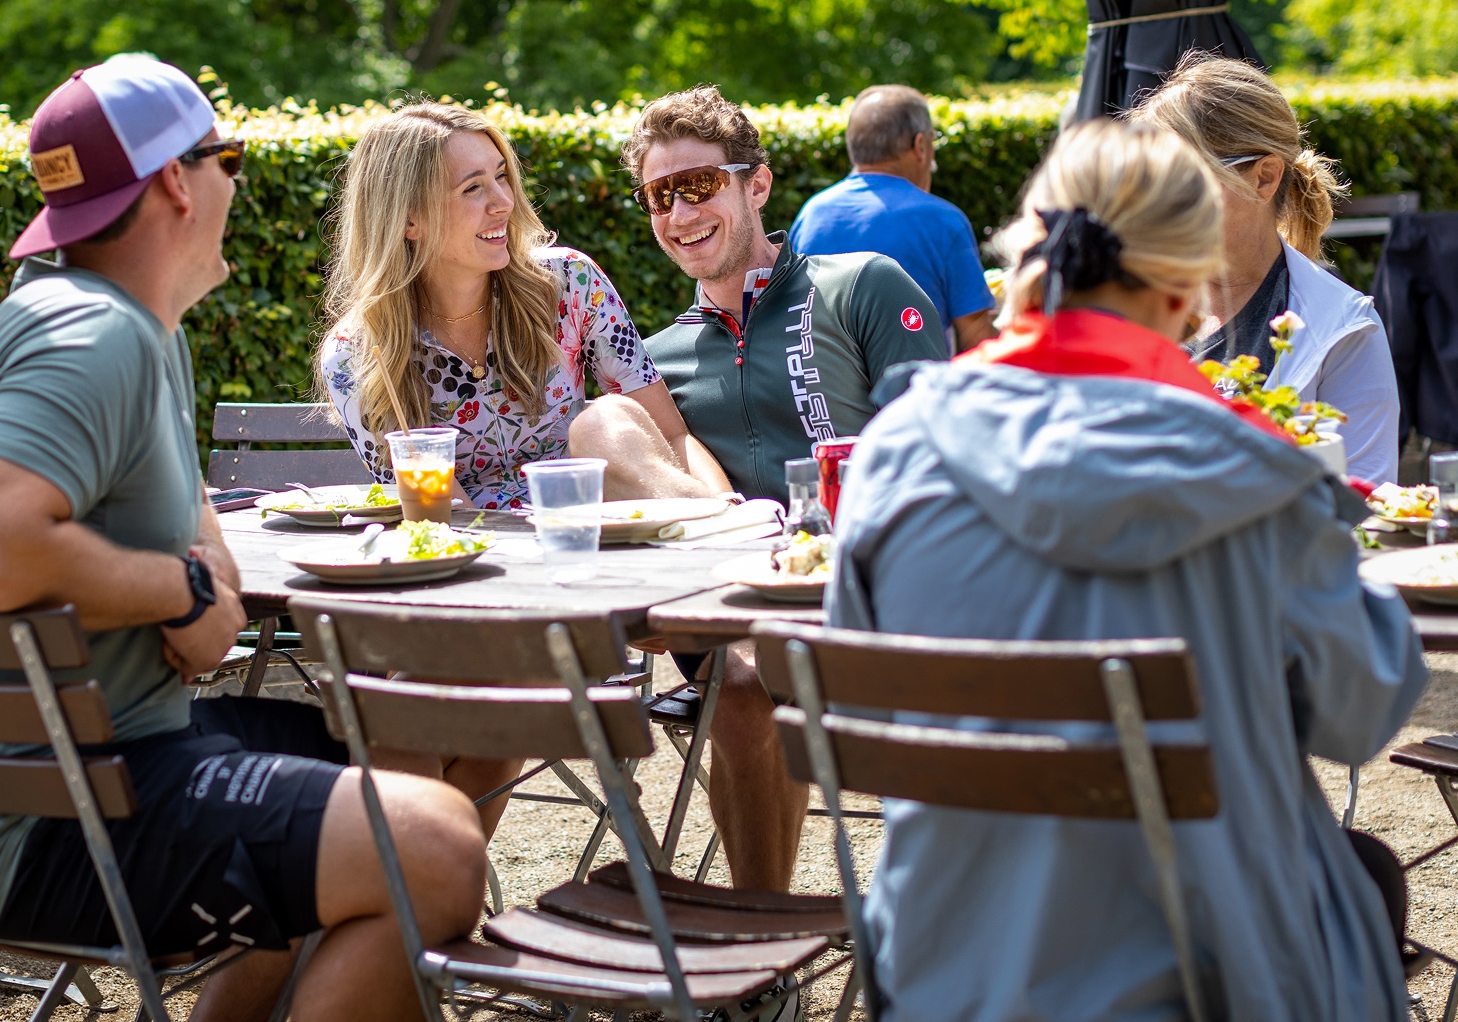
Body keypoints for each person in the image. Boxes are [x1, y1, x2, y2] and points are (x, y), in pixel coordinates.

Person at [0, 56, 486, 1022]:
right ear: (177, 179)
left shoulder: (137, 330)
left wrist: (189, 591)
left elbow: (217, 609)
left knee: (403, 744)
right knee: (433, 848)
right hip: (48, 814)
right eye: (233, 157)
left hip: (89, 765)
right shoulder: (93, 336)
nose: (237, 183)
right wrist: (172, 590)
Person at [833, 118, 1426, 1021]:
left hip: (948, 975)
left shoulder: (893, 454)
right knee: (1363, 873)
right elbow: (1361, 709)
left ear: (1027, 260)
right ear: (1192, 290)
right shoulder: (1259, 479)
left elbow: (867, 705)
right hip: (1208, 982)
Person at [626, 86, 944, 918]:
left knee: (759, 668)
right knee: (738, 679)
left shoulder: (862, 285)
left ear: (756, 185)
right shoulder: (659, 362)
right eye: (659, 196)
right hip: (731, 617)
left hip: (869, 602)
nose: (679, 213)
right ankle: (759, 947)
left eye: (698, 185)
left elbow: (939, 445)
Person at [318, 100, 730, 510]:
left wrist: (732, 509)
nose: (504, 202)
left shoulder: (571, 283)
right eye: (473, 188)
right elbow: (440, 516)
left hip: (601, 527)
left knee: (604, 421)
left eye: (501, 177)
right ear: (409, 220)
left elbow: (672, 437)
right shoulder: (356, 355)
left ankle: (715, 523)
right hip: (480, 554)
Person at [1130, 52, 1399, 484]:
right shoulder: (1125, 303)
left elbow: (1363, 508)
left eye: (1183, 178)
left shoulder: (1343, 330)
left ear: (1264, 177)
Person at [789, 84, 997, 352]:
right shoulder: (944, 221)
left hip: (826, 392)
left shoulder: (812, 214)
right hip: (918, 390)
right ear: (920, 146)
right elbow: (978, 340)